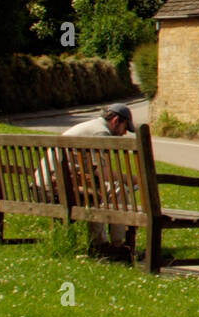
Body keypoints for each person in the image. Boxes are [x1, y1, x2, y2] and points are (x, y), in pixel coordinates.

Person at [54, 104, 137, 258]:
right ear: (116, 120)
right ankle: (118, 245)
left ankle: (99, 244)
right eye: (125, 127)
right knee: (119, 189)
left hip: (50, 183)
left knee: (97, 189)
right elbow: (102, 172)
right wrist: (132, 179)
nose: (124, 133)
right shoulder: (101, 133)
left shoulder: (91, 126)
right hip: (60, 184)